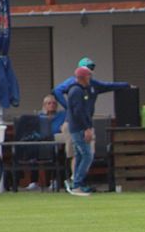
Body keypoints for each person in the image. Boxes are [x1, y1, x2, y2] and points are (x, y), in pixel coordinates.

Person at [54, 57, 131, 190]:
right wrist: (68, 107)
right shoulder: (74, 87)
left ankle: (77, 182)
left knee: (82, 153)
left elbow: (108, 86)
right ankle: (76, 182)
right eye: (88, 69)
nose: (91, 72)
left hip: (83, 123)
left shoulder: (90, 85)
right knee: (81, 154)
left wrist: (125, 84)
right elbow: (60, 94)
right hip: (76, 124)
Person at [65, 67, 98, 196]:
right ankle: (77, 183)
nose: (90, 78)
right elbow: (78, 112)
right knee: (87, 155)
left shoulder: (78, 90)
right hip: (79, 128)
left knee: (79, 155)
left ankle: (76, 183)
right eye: (89, 76)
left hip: (76, 127)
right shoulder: (77, 91)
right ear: (83, 77)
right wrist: (86, 128)